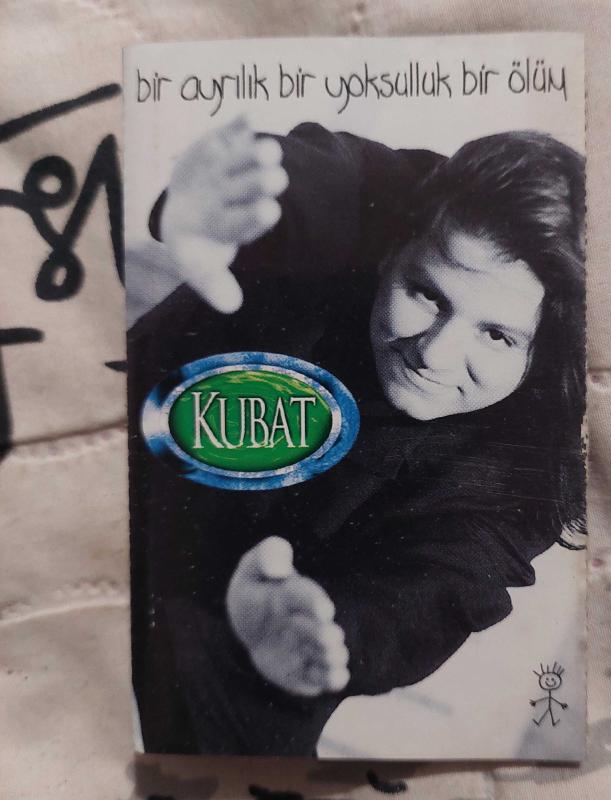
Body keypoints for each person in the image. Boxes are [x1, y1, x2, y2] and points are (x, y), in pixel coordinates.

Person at [127, 117, 586, 755]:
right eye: (426, 293)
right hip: (117, 479)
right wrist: (217, 204)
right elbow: (312, 182)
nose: (435, 354)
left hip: (257, 640)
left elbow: (436, 590)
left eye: (497, 335)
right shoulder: (386, 198)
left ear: (548, 354)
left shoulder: (529, 463)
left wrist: (325, 627)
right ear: (396, 243)